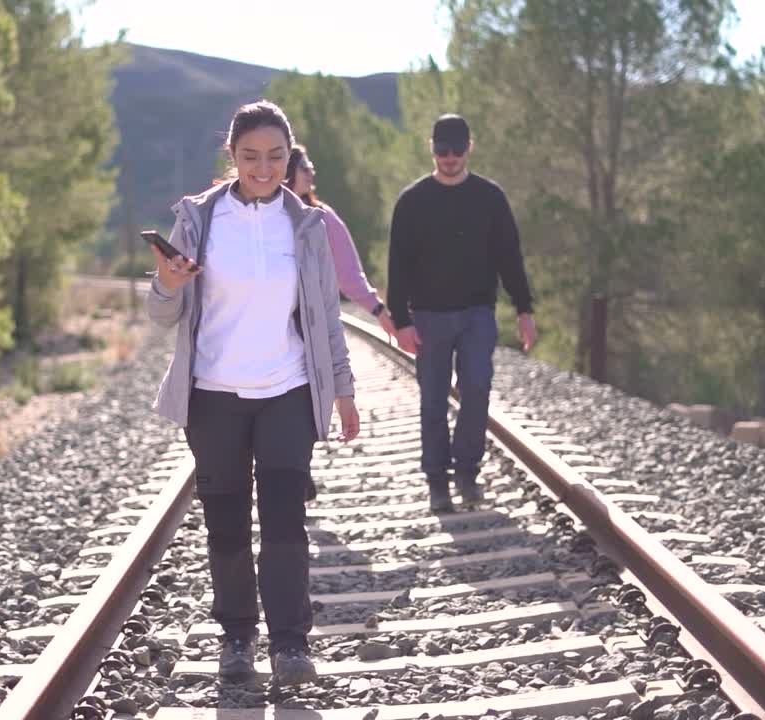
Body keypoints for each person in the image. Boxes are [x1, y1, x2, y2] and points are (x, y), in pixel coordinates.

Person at [144, 100, 359, 686]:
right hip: (213, 396)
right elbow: (162, 313)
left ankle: (291, 644)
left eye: (275, 157)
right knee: (228, 525)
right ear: (231, 157)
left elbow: (324, 317)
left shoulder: (306, 225)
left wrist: (343, 390)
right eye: (250, 157)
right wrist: (165, 283)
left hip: (287, 390)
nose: (263, 168)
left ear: (289, 158)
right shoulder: (199, 219)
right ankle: (237, 637)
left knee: (286, 521)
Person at [386, 113, 537, 513]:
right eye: (441, 150)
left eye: (456, 150)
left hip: (476, 313)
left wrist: (524, 309)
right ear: (431, 148)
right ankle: (437, 481)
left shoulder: (490, 198)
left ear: (470, 147)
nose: (449, 157)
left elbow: (510, 258)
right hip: (429, 317)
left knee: (477, 389)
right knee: (433, 400)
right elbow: (397, 264)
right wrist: (400, 319)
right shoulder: (412, 202)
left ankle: (467, 472)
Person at [284, 145, 397, 338]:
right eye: (304, 167)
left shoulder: (322, 218)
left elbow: (348, 273)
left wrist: (378, 310)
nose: (311, 171)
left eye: (311, 166)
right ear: (287, 171)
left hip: (310, 325)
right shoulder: (264, 216)